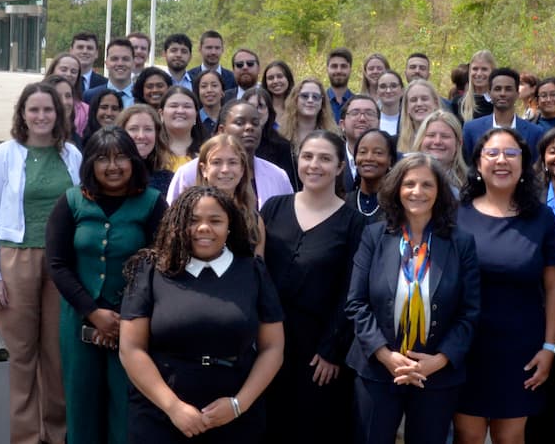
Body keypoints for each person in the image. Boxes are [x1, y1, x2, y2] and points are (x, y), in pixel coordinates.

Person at [119, 186, 285, 443]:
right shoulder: (150, 270)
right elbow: (131, 349)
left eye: (215, 221)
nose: (204, 228)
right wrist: (174, 407)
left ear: (230, 226)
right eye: (193, 221)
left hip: (236, 418)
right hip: (160, 415)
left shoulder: (253, 271)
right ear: (177, 224)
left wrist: (239, 404)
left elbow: (273, 347)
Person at [346, 153, 482, 444]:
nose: (417, 192)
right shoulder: (374, 235)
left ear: (440, 192)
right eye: (409, 184)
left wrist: (439, 360)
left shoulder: (461, 243)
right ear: (396, 188)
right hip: (378, 370)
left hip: (436, 374)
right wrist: (385, 355)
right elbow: (356, 303)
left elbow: (469, 312)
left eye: (426, 185)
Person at [45, 127, 167, 444]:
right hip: (79, 323)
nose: (113, 166)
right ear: (90, 165)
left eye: (121, 157)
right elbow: (57, 264)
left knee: (126, 410)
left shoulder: (153, 203)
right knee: (82, 408)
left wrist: (124, 317)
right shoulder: (71, 202)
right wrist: (94, 312)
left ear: (133, 161)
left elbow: (162, 264)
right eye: (103, 159)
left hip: (135, 326)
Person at [0, 82, 82, 444]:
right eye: (33, 109)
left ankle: (56, 431)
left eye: (48, 110)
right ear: (22, 113)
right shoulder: (5, 154)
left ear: (59, 114)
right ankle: (21, 435)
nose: (41, 116)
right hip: (16, 259)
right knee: (19, 352)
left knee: (58, 351)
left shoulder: (72, 155)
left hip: (61, 261)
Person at [454, 128, 555, 444]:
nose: (501, 160)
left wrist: (549, 348)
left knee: (511, 436)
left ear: (524, 164)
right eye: (492, 153)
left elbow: (554, 289)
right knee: (467, 434)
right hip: (466, 346)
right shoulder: (456, 215)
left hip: (521, 349)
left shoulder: (541, 218)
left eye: (511, 154)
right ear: (477, 163)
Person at [260, 131, 365, 443]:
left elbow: (353, 289)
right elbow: (257, 272)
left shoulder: (354, 222)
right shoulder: (273, 208)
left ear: (339, 167)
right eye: (307, 157)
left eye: (324, 158)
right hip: (270, 341)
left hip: (320, 352)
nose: (314, 165)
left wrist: (331, 350)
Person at [166, 100, 293, 208]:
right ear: (222, 130)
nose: (249, 127)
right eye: (239, 123)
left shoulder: (278, 176)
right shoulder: (189, 173)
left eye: (255, 123)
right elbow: (173, 222)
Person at [195, 134, 266, 255]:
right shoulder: (189, 212)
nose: (225, 169)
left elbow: (258, 268)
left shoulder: (254, 219)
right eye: (216, 162)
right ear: (204, 169)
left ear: (242, 169)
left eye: (232, 162)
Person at [461, 68, 543, 163]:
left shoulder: (534, 132)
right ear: (490, 93)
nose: (502, 94)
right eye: (497, 89)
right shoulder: (471, 129)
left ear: (517, 93)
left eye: (508, 89)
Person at [242, 86, 297, 191]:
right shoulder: (234, 144)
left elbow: (289, 185)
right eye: (250, 106)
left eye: (261, 106)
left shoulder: (283, 146)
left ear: (269, 111)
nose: (255, 111)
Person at [117, 104, 176, 194]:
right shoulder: (110, 176)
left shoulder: (169, 180)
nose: (141, 136)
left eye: (148, 129)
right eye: (133, 129)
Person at [344, 129, 398, 224]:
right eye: (363, 152)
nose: (369, 158)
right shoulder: (344, 202)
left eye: (378, 153)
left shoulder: (396, 204)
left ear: (391, 160)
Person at [411, 110, 469, 194]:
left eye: (445, 136)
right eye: (431, 135)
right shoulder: (404, 177)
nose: (437, 141)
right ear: (420, 140)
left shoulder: (470, 184)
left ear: (459, 143)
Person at [278, 77, 339, 153]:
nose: (310, 100)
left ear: (322, 103)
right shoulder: (280, 135)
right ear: (295, 100)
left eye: (315, 97)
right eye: (305, 96)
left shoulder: (333, 137)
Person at [339, 95, 381, 193]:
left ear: (379, 124)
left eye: (369, 113)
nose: (362, 118)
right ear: (342, 124)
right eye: (355, 113)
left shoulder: (392, 161)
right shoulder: (332, 159)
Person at [159, 86, 205, 170]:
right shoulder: (152, 152)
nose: (180, 111)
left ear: (196, 115)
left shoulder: (208, 151)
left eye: (187, 106)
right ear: (161, 114)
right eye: (173, 106)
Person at [83, 38, 136, 108]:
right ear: (106, 63)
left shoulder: (143, 96)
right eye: (114, 59)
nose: (120, 63)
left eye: (125, 59)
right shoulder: (90, 96)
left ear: (133, 63)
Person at [48, 52, 89, 136]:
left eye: (74, 71)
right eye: (63, 69)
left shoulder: (84, 110)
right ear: (52, 70)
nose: (68, 74)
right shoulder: (36, 98)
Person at [187, 31, 239, 97]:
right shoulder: (189, 77)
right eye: (209, 48)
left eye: (217, 48)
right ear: (200, 49)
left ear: (222, 50)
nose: (213, 52)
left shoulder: (233, 78)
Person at [396, 79, 442, 153]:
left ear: (435, 103)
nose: (419, 104)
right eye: (413, 100)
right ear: (407, 107)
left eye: (424, 99)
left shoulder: (446, 138)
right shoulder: (398, 144)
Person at [44, 75, 82, 147]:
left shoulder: (75, 137)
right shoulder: (37, 139)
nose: (64, 102)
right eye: (57, 96)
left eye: (68, 96)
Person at [457, 50, 496, 121]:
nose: (479, 73)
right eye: (475, 69)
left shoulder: (498, 102)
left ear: (493, 72)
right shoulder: (460, 103)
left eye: (484, 69)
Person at [194, 69, 226, 138]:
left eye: (214, 85)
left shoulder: (230, 118)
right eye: (203, 86)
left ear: (222, 92)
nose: (209, 90)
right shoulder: (193, 120)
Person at [326, 47, 355, 123]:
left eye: (343, 66)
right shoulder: (318, 102)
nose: (339, 71)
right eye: (334, 66)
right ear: (327, 69)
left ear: (350, 69)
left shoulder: (357, 103)